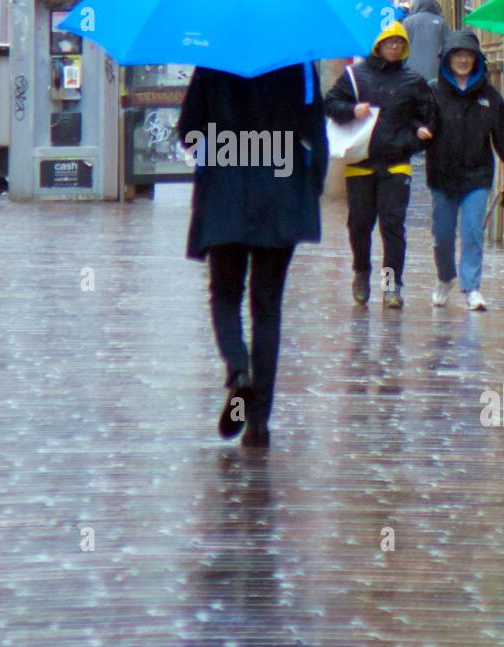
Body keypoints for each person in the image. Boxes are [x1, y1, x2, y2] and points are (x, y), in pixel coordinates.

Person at [176, 62, 328, 449]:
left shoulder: (213, 63)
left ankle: (238, 370)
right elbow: (316, 134)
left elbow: (189, 133)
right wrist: (310, 189)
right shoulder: (300, 65)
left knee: (225, 295)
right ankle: (257, 421)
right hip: (281, 194)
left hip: (225, 193)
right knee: (268, 307)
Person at [325, 23, 436, 308]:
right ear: (378, 45)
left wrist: (417, 138)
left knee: (392, 226)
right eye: (390, 42)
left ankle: (390, 286)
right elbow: (330, 104)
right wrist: (352, 110)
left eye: (400, 43)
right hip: (360, 162)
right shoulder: (354, 76)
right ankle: (361, 272)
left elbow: (428, 118)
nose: (395, 47)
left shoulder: (413, 80)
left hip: (396, 165)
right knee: (360, 225)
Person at [425, 29, 504, 310]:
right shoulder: (433, 92)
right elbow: (417, 125)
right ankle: (444, 277)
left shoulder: (489, 96)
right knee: (442, 234)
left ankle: (472, 287)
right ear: (447, 59)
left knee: (473, 231)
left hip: (477, 176)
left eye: (468, 55)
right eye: (457, 55)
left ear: (477, 60)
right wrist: (419, 132)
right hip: (442, 176)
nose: (463, 60)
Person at [402, 0, 448, 84]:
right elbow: (447, 46)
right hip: (435, 71)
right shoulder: (440, 22)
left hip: (411, 71)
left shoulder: (408, 22)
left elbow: (403, 47)